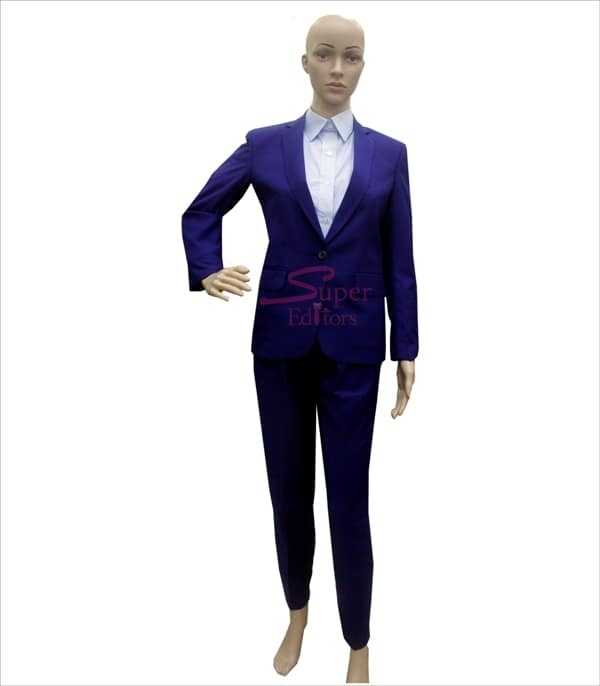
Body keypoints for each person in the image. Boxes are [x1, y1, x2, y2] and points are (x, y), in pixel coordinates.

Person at [181, 14, 418, 684]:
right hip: (282, 344)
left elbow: (400, 257)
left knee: (348, 499)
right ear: (305, 61)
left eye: (352, 57)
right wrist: (205, 267)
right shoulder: (266, 145)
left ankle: (358, 641)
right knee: (288, 493)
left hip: (354, 346)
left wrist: (405, 343)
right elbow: (201, 209)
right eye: (326, 55)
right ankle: (297, 611)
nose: (338, 68)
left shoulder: (390, 155)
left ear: (363, 66)